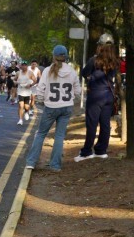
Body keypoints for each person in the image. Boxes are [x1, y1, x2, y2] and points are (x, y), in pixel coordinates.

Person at [25, 45, 81, 172]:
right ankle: (55, 165)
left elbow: (40, 88)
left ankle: (31, 162)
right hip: (66, 107)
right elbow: (77, 91)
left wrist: (40, 99)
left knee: (41, 134)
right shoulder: (72, 71)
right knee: (59, 136)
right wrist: (72, 99)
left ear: (53, 56)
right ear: (66, 57)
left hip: (51, 106)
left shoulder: (47, 71)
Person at [75, 33, 121, 161]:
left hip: (95, 95)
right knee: (105, 124)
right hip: (109, 95)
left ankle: (86, 152)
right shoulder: (115, 61)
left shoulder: (94, 60)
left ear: (100, 46)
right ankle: (101, 150)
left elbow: (84, 73)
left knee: (92, 124)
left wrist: (91, 77)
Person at [15, 61, 36, 125]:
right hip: (20, 91)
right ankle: (20, 120)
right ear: (21, 66)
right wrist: (15, 82)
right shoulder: (18, 73)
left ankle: (26, 112)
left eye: (25, 65)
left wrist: (30, 85)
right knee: (21, 106)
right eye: (23, 65)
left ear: (27, 66)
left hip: (27, 92)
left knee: (26, 107)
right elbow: (14, 79)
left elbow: (35, 80)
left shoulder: (30, 73)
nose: (24, 66)